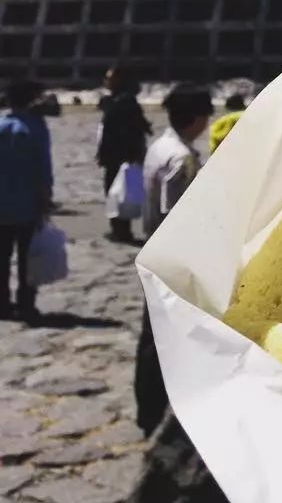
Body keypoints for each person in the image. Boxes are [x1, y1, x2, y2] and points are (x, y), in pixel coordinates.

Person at [136, 82, 213, 437]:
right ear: (196, 118)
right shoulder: (182, 157)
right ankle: (158, 411)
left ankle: (147, 409)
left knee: (150, 337)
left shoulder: (159, 146)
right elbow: (177, 215)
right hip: (173, 260)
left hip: (152, 250)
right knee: (165, 341)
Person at [0, 79, 53, 321]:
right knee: (27, 258)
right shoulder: (36, 127)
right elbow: (43, 167)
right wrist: (45, 197)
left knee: (2, 256)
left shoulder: (2, 125)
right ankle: (26, 303)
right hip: (27, 203)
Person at [97, 64, 152, 243]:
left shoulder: (124, 101)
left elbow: (136, 128)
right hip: (117, 154)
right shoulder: (117, 100)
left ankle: (121, 231)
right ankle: (119, 230)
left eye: (110, 77)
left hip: (122, 155)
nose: (107, 81)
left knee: (119, 192)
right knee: (117, 192)